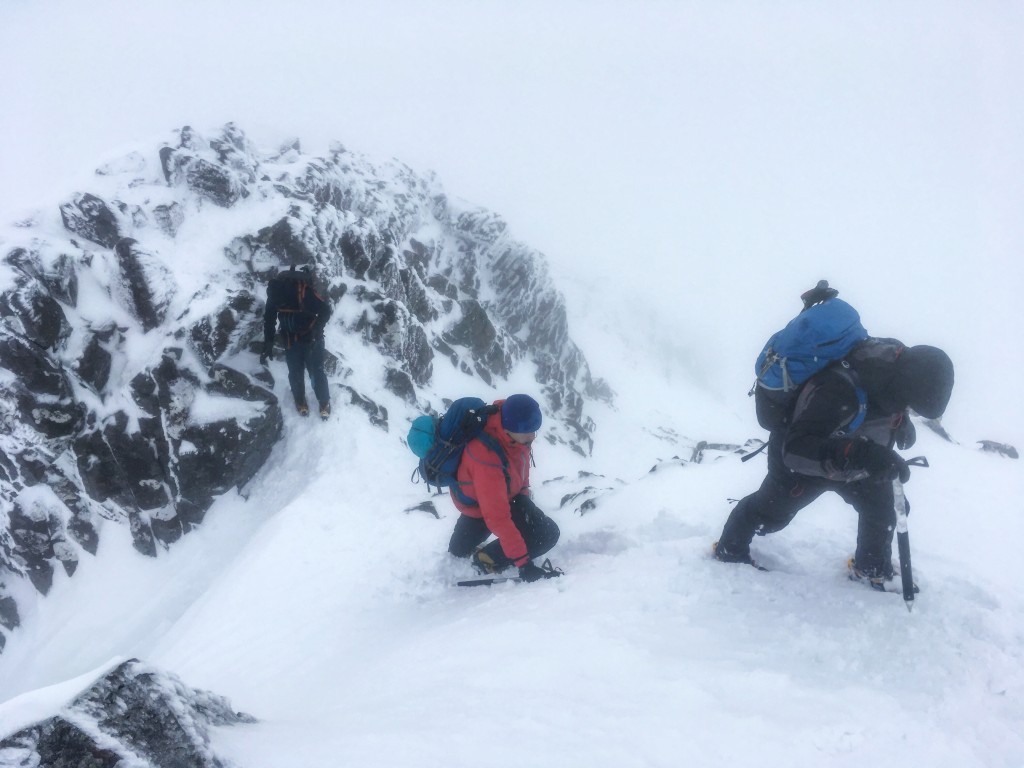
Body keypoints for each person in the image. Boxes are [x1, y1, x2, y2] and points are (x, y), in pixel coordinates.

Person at [714, 336, 954, 587]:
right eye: (909, 405)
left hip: (858, 461)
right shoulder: (837, 389)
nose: (908, 409)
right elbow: (796, 450)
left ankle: (870, 568)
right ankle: (729, 551)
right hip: (802, 461)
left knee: (885, 507)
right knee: (769, 514)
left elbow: (884, 404)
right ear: (902, 385)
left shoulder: (892, 377)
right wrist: (862, 454)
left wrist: (899, 423)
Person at [447, 394, 560, 582]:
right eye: (529, 431)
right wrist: (524, 564)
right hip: (478, 509)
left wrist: (523, 495)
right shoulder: (486, 457)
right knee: (457, 554)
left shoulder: (516, 434)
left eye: (535, 430)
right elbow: (497, 517)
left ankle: (489, 556)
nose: (533, 436)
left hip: (508, 497)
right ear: (510, 429)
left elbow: (521, 465)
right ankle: (483, 561)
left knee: (547, 534)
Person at [261, 266, 333, 419]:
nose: (278, 307)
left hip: (313, 338)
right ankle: (300, 400)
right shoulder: (274, 296)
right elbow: (269, 319)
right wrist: (268, 342)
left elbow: (325, 310)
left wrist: (316, 331)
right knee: (295, 371)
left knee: (316, 371)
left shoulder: (304, 294)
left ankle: (324, 401)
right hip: (290, 338)